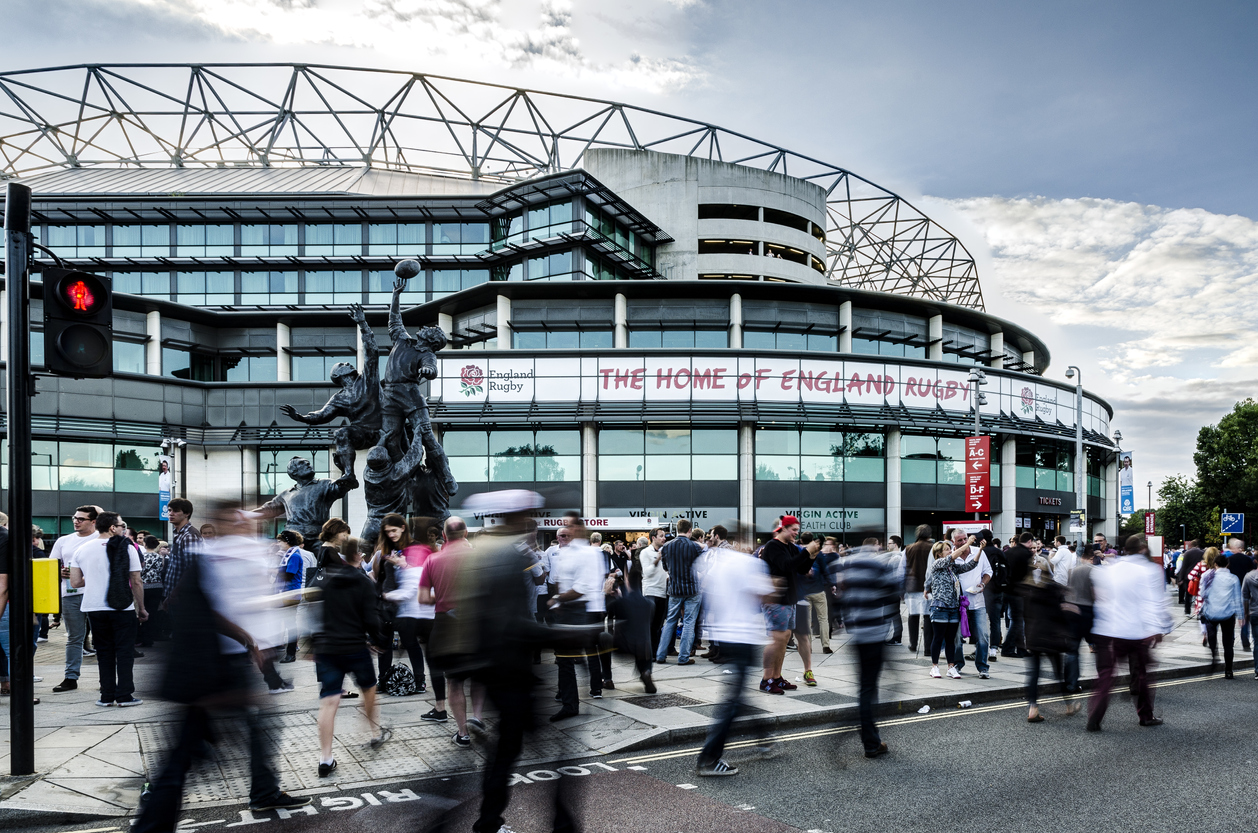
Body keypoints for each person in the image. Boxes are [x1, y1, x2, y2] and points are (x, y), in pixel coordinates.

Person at [694, 527, 774, 776]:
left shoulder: (712, 562)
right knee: (732, 700)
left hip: (721, 634)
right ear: (745, 540)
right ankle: (709, 759)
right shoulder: (749, 564)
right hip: (743, 635)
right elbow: (765, 595)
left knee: (737, 693)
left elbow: (705, 590)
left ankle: (763, 736)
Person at [313, 536, 390, 777]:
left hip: (327, 648)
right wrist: (378, 639)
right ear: (360, 556)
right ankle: (375, 733)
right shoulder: (363, 581)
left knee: (329, 701)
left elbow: (315, 614)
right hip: (355, 646)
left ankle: (326, 758)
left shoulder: (326, 579)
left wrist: (311, 643)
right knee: (369, 689)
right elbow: (370, 618)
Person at [1087, 534, 1172, 731]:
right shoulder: (1149, 571)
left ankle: (1094, 718)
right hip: (1136, 631)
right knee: (1141, 675)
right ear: (1142, 548)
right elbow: (1155, 602)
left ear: (1125, 549)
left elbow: (1100, 598)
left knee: (1106, 676)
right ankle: (1145, 716)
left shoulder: (1108, 570)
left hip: (1108, 630)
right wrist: (1159, 629)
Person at [830, 537, 904, 758]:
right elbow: (893, 594)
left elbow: (839, 598)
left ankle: (870, 737)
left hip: (858, 636)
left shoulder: (847, 565)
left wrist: (846, 621)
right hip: (875, 633)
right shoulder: (877, 564)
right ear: (875, 545)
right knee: (878, 688)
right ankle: (868, 740)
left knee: (866, 688)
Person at [420, 516, 487, 745]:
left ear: (444, 535)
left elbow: (422, 598)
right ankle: (477, 717)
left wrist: (441, 595)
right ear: (466, 533)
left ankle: (463, 733)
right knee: (479, 675)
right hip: (476, 622)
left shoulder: (433, 560)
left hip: (446, 624)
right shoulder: (479, 557)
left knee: (454, 681)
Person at [69, 512, 147, 707]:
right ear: (112, 527)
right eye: (121, 525)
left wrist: (94, 577)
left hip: (94, 607)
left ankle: (106, 695)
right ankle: (125, 695)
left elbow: (76, 582)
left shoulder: (81, 549)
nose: (123, 529)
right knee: (124, 651)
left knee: (103, 652)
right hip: (122, 607)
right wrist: (142, 608)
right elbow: (136, 581)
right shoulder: (127, 548)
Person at [548, 515, 610, 719]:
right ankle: (569, 700)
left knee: (584, 654)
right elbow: (559, 578)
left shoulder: (590, 553)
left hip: (584, 609)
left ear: (579, 528)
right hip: (568, 609)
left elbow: (582, 587)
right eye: (563, 528)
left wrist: (558, 598)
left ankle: (591, 690)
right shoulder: (566, 552)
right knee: (565, 658)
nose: (567, 531)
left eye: (570, 527)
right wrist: (558, 601)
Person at [758, 516, 817, 694]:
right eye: (793, 530)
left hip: (789, 599)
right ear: (783, 528)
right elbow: (785, 565)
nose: (796, 533)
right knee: (776, 640)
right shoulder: (773, 546)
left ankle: (777, 677)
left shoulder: (790, 547)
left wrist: (812, 556)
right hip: (775, 600)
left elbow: (800, 569)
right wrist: (806, 552)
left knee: (783, 640)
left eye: (797, 530)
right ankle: (766, 680)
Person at [49, 505, 101, 693]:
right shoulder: (64, 541)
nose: (75, 521)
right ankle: (70, 677)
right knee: (74, 638)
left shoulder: (100, 538)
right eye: (74, 518)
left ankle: (106, 678)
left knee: (102, 638)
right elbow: (51, 565)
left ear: (93, 521)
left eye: (81, 519)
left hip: (96, 594)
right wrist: (59, 571)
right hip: (70, 595)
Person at [376, 513, 430, 694]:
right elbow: (380, 577)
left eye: (393, 530)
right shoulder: (385, 549)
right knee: (384, 645)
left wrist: (402, 564)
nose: (391, 534)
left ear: (403, 527)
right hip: (387, 604)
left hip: (406, 604)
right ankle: (382, 680)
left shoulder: (413, 548)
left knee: (410, 642)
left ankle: (420, 681)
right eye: (387, 532)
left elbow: (419, 577)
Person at [1022, 555, 1076, 722]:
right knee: (1058, 673)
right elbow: (1060, 614)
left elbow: (1025, 615)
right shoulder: (1054, 589)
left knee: (1034, 674)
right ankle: (1069, 705)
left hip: (1033, 636)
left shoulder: (1028, 589)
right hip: (1052, 637)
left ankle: (1033, 708)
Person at [924, 538, 981, 678]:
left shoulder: (952, 568)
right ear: (939, 554)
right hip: (940, 608)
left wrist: (980, 550)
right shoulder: (937, 564)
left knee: (951, 640)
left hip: (953, 608)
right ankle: (934, 667)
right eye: (947, 549)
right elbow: (953, 556)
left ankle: (951, 667)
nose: (951, 551)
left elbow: (969, 566)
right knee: (938, 638)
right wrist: (967, 544)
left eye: (950, 548)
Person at [654, 519, 704, 666]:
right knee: (689, 622)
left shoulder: (667, 547)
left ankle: (661, 655)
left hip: (674, 589)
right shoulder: (694, 547)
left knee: (670, 621)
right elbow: (702, 568)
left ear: (677, 529)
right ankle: (683, 657)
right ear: (690, 530)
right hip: (692, 589)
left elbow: (665, 567)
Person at [951, 529, 994, 680]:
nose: (963, 542)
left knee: (983, 635)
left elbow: (988, 572)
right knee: (956, 636)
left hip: (977, 601)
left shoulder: (978, 551)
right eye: (959, 540)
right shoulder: (952, 556)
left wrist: (983, 584)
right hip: (958, 603)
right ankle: (958, 664)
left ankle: (982, 666)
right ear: (953, 542)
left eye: (965, 539)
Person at [1199, 553, 1242, 678]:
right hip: (1228, 614)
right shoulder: (1233, 578)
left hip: (1211, 613)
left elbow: (1202, 594)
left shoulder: (1207, 576)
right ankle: (1229, 671)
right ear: (1227, 564)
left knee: (1212, 637)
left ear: (1215, 564)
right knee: (1228, 643)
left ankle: (1214, 656)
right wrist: (1240, 616)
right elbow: (1237, 599)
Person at [1063, 544, 1096, 693]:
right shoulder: (1092, 571)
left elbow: (1069, 590)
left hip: (1073, 610)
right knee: (1098, 647)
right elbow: (1095, 594)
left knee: (1072, 650)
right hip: (1088, 611)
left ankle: (1071, 684)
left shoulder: (1074, 571)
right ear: (1092, 557)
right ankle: (1104, 680)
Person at [161, 498, 203, 612]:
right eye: (169, 510)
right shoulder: (179, 534)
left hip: (183, 597)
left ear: (187, 513)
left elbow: (192, 569)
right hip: (175, 596)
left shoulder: (189, 535)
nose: (171, 513)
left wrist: (174, 594)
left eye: (175, 510)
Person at [1000, 532, 1035, 657]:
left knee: (1017, 620)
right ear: (1029, 541)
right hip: (1018, 590)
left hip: (1007, 589)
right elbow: (1025, 574)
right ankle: (1008, 648)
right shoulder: (1025, 553)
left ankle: (1020, 649)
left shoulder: (1009, 551)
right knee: (1018, 621)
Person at [275, 530, 307, 663]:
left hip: (290, 594)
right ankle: (288, 652)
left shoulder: (294, 556)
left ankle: (291, 653)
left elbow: (289, 575)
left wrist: (272, 571)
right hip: (286, 593)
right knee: (285, 623)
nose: (278, 544)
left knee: (289, 625)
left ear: (287, 542)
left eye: (280, 541)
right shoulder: (289, 554)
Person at [903, 525, 933, 655]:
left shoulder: (908, 548)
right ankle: (928, 647)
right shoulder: (932, 548)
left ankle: (913, 643)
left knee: (913, 616)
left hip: (912, 587)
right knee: (928, 617)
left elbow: (902, 568)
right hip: (928, 588)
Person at [638, 528, 669, 655]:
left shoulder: (664, 552)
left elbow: (666, 572)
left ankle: (656, 651)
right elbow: (647, 572)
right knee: (650, 625)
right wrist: (657, 559)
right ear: (653, 538)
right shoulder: (645, 552)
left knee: (658, 625)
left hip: (662, 591)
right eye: (661, 536)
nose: (664, 538)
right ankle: (649, 652)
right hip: (650, 591)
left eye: (664, 536)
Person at [1223, 538, 1254, 651]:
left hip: (1231, 592)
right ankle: (1245, 642)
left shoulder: (1228, 560)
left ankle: (1230, 640)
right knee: (1245, 616)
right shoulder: (1248, 559)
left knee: (1231, 617)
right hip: (1246, 592)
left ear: (1233, 547)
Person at [138, 535, 166, 648]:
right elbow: (161, 569)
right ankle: (150, 638)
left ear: (145, 544)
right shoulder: (160, 557)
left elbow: (140, 571)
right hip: (157, 587)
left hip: (144, 587)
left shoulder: (142, 556)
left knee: (142, 612)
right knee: (153, 613)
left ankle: (141, 637)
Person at [1176, 539, 1204, 614]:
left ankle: (1187, 611)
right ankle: (1199, 611)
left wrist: (1180, 578)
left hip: (1188, 576)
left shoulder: (1187, 553)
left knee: (1188, 594)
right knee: (1199, 594)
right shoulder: (1202, 553)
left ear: (1191, 545)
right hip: (1198, 576)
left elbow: (1184, 566)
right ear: (1198, 545)